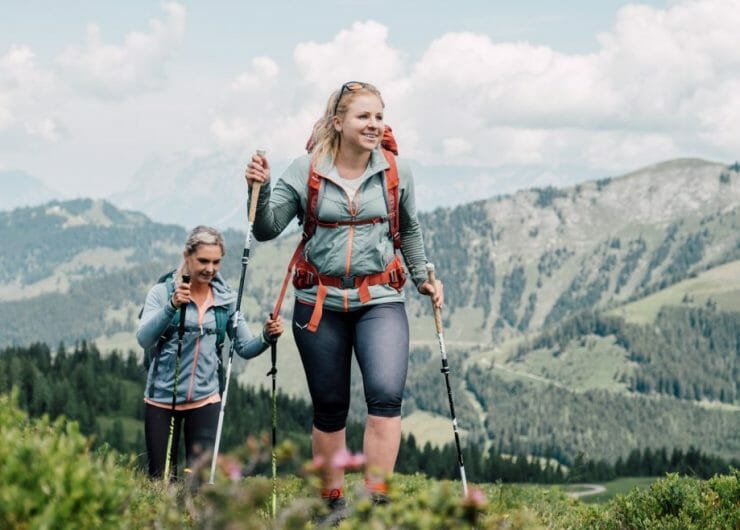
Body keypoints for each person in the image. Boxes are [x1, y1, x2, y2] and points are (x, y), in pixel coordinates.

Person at [245, 81, 443, 509]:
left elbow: (407, 228)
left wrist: (422, 276)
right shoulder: (306, 169)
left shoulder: (394, 170)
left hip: (380, 299)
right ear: (338, 122)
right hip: (320, 303)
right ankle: (332, 503)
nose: (374, 125)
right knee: (331, 405)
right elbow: (266, 228)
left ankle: (376, 500)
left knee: (386, 396)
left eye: (379, 117)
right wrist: (256, 191)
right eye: (364, 116)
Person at [137, 225, 284, 479]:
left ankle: (195, 520)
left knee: (199, 483)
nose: (210, 268)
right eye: (203, 261)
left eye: (216, 262)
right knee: (160, 480)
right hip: (161, 399)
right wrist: (172, 307)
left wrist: (266, 336)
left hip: (205, 400)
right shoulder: (161, 293)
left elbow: (245, 348)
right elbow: (144, 339)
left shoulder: (226, 300)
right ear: (187, 256)